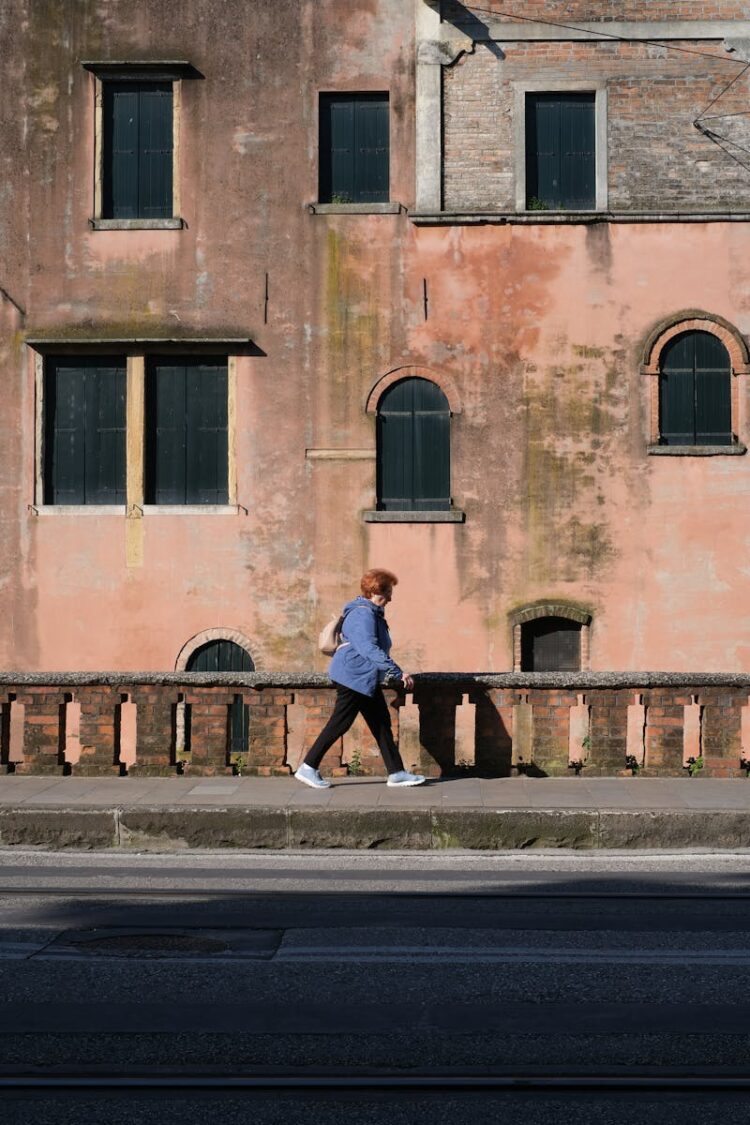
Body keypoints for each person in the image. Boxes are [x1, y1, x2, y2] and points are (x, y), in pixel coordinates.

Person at [295, 568, 426, 789]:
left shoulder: (371, 613)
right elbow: (368, 648)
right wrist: (397, 671)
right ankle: (308, 767)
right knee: (340, 722)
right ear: (379, 591)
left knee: (381, 724)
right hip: (353, 675)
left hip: (364, 677)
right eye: (389, 592)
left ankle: (396, 772)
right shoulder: (363, 614)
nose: (391, 598)